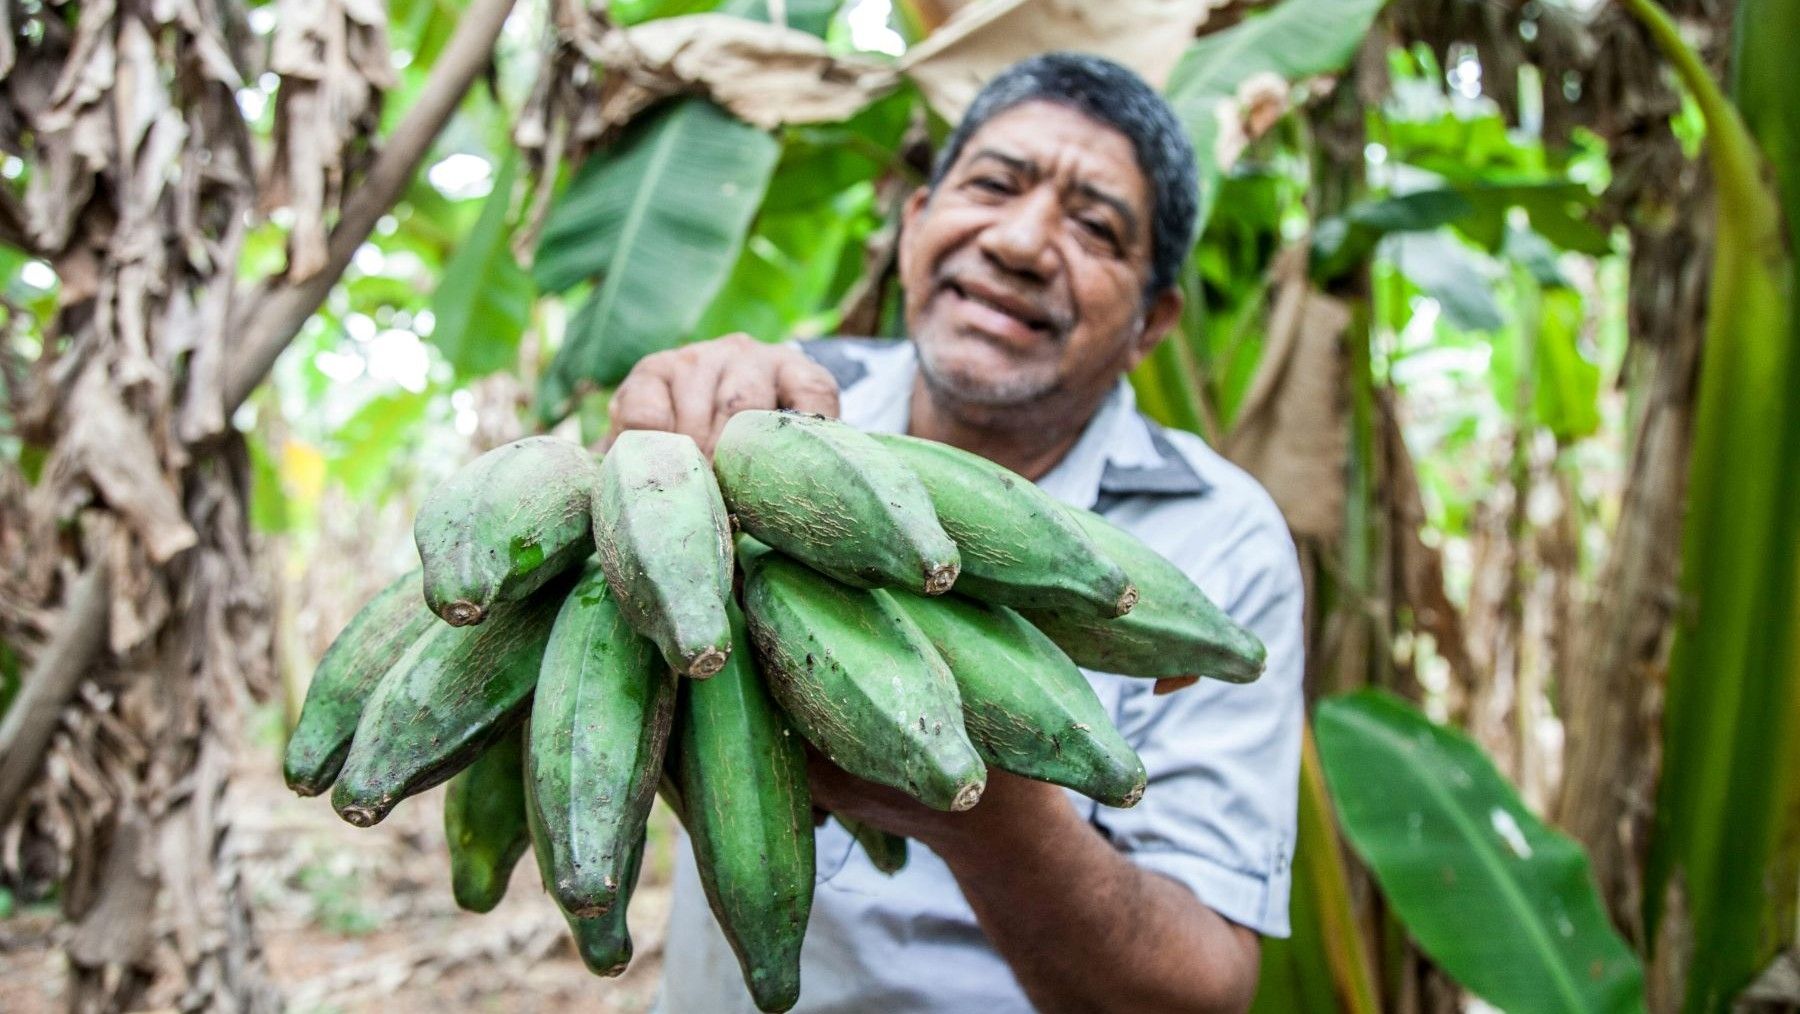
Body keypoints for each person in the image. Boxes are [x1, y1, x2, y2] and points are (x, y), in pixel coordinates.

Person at [615, 53, 1304, 1014]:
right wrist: (643, 487)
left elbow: (1201, 991)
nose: (1021, 242)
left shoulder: (1216, 537)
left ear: (1154, 322)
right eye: (993, 185)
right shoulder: (778, 408)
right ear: (914, 223)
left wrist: (986, 816)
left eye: (1096, 227)